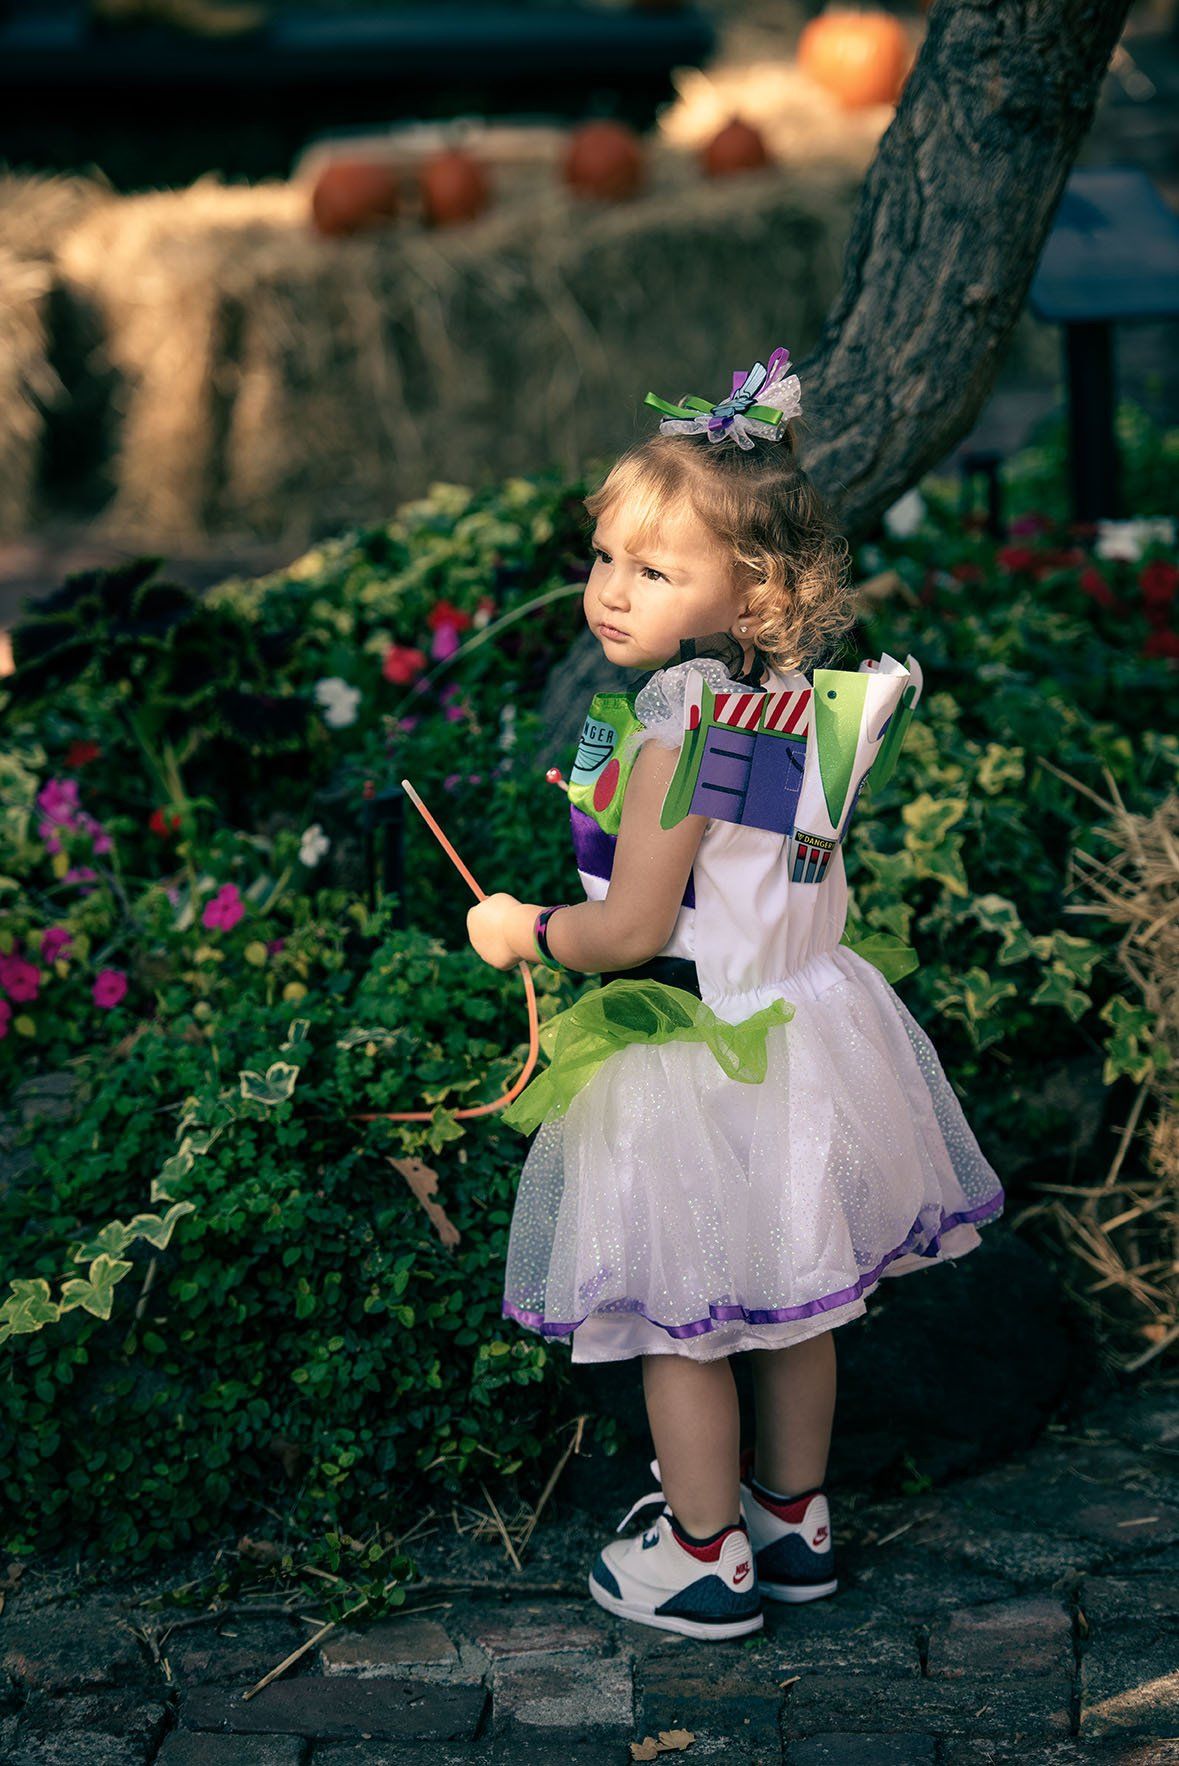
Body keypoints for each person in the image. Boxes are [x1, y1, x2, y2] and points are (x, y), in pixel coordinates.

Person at [464, 346, 1005, 1643]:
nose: (611, 589)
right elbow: (768, 872)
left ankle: (704, 1556)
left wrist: (522, 927)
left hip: (696, 1047)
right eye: (605, 556)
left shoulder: (675, 742)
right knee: (798, 1298)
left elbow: (630, 930)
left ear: (751, 590)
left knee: (685, 1315)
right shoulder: (813, 710)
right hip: (808, 1027)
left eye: (656, 570)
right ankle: (792, 1522)